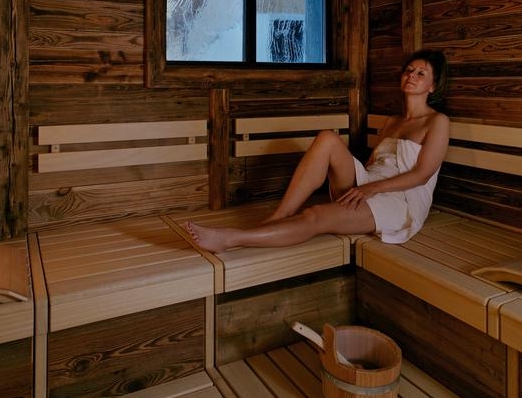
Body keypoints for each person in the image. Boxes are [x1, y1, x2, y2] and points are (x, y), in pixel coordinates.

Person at [186, 49, 450, 253]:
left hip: (401, 200)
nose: (411, 76)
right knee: (327, 138)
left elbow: (422, 175)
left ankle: (230, 239)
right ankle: (280, 215)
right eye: (409, 70)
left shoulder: (437, 121)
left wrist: (370, 189)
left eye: (421, 74)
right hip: (371, 182)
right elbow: (373, 164)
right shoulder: (392, 121)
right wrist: (363, 186)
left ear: (433, 86)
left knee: (316, 214)